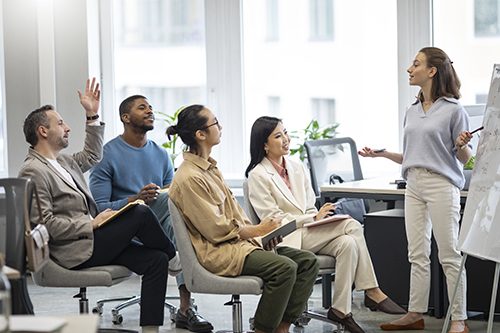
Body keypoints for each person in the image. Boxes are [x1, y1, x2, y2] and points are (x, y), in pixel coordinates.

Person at [18, 79, 175, 333]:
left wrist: (92, 115)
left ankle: (150, 330)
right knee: (139, 211)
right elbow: (43, 224)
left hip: (92, 242)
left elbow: (92, 155)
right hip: (73, 250)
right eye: (60, 123)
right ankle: (175, 256)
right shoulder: (33, 170)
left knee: (156, 260)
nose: (67, 128)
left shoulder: (64, 162)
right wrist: (90, 223)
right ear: (42, 131)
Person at [167, 104, 320, 333]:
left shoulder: (210, 169)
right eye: (215, 123)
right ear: (200, 134)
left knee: (308, 262)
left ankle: (282, 327)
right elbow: (217, 230)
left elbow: (236, 216)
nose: (221, 127)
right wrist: (259, 231)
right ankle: (262, 329)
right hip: (219, 252)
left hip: (240, 246)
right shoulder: (189, 177)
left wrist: (261, 236)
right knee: (284, 268)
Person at [245, 116, 406, 333]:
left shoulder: (296, 167)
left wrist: (316, 217)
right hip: (287, 238)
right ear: (264, 145)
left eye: (285, 133)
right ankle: (372, 290)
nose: (285, 139)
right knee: (352, 225)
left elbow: (309, 206)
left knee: (348, 242)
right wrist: (311, 219)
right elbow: (273, 220)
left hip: (310, 232)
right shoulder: (258, 175)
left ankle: (341, 310)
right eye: (278, 136)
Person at [359, 47, 471, 333]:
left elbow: (466, 159)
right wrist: (381, 156)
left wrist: (461, 145)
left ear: (432, 71)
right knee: (416, 253)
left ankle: (459, 319)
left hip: (441, 184)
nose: (410, 69)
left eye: (416, 64)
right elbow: (412, 156)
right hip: (414, 184)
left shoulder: (454, 110)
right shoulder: (411, 111)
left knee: (448, 253)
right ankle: (415, 313)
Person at [89, 95, 213, 332]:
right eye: (142, 107)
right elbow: (101, 208)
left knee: (179, 222)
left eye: (151, 107)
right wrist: (136, 199)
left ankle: (186, 309)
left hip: (158, 226)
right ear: (126, 117)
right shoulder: (107, 155)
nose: (149, 111)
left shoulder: (160, 153)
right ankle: (203, 252)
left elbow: (172, 194)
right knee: (172, 206)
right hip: (122, 230)